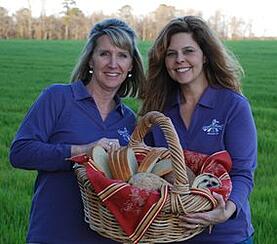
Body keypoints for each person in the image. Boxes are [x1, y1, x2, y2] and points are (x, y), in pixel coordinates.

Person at [9, 18, 145, 243]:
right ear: (91, 59)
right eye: (104, 54)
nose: (113, 63)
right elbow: (20, 152)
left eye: (122, 55)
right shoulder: (58, 97)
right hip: (54, 233)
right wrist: (83, 151)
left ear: (131, 65)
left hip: (108, 236)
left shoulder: (128, 120)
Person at [139, 16, 257, 244]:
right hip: (171, 235)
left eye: (188, 51)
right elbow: (149, 170)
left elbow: (243, 172)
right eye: (171, 54)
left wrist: (226, 211)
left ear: (205, 56)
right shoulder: (159, 110)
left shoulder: (233, 105)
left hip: (225, 235)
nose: (179, 59)